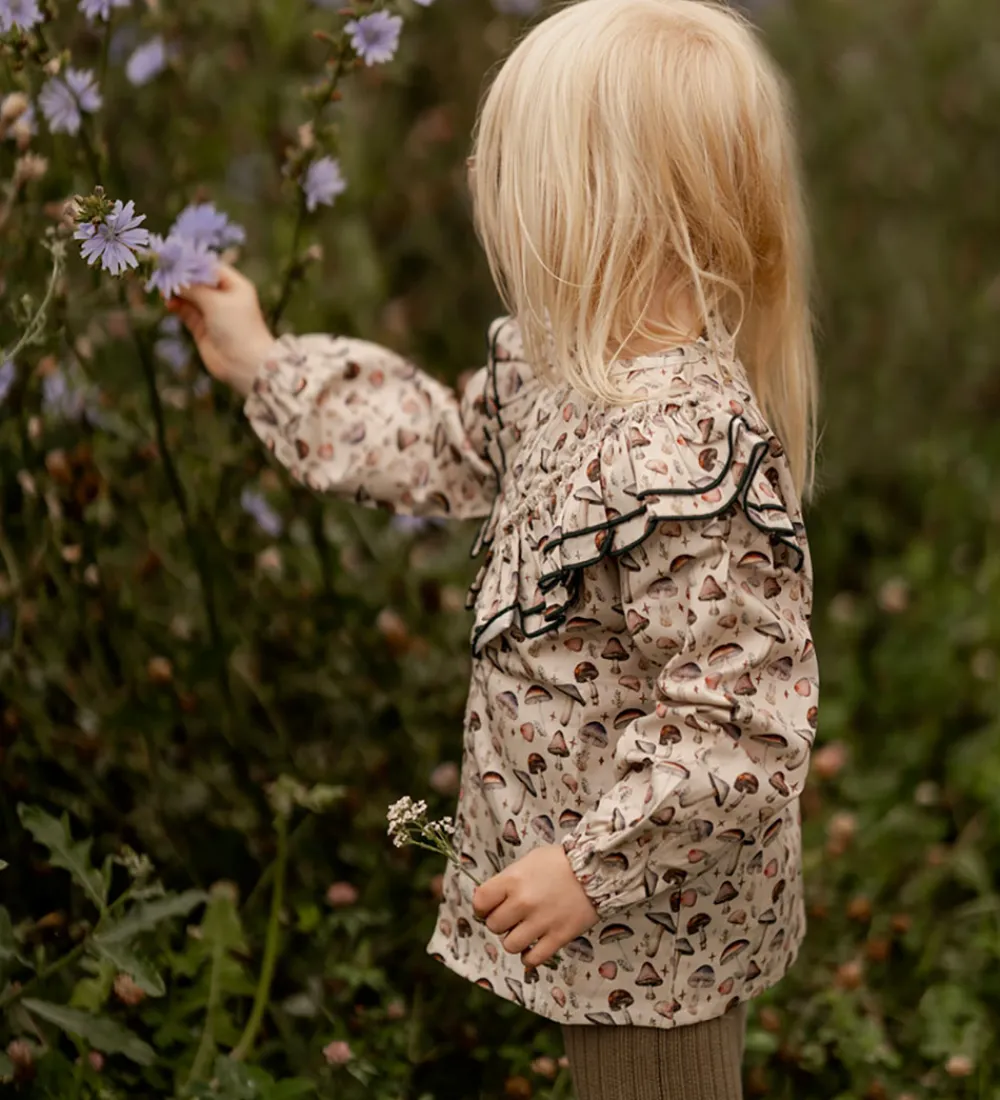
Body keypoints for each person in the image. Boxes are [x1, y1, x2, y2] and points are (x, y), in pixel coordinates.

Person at [169, 1, 820, 1096]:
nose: (480, 172)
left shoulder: (683, 455)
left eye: (510, 156)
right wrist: (266, 363)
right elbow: (436, 440)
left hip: (659, 924)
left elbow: (741, 722)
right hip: (603, 904)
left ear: (606, 207)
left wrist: (590, 866)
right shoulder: (559, 374)